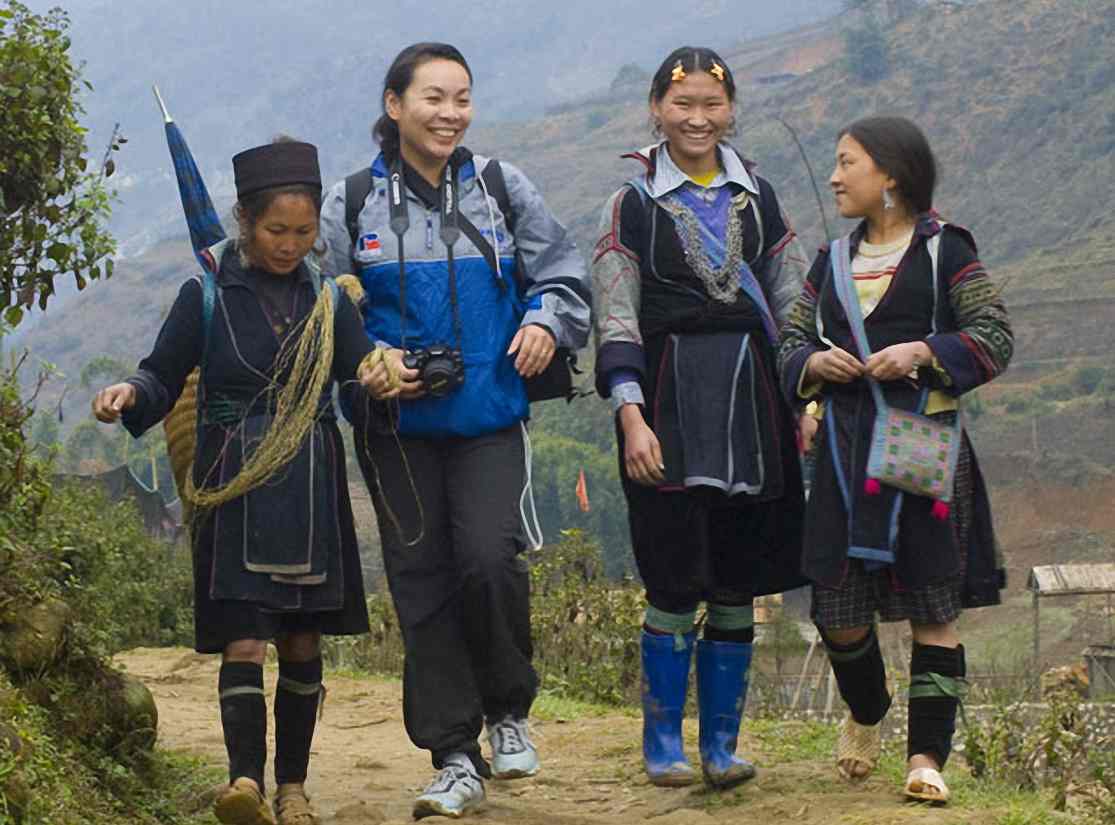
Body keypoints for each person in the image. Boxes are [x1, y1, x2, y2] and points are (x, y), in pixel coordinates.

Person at [317, 42, 591, 819]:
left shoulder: (501, 188)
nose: (449, 113)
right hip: (393, 427)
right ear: (394, 104)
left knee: (485, 559)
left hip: (488, 416)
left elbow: (565, 277)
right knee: (420, 582)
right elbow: (320, 307)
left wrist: (543, 320)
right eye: (432, 97)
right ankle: (451, 754)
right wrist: (363, 357)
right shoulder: (351, 202)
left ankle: (508, 710)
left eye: (461, 98)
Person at [93, 139, 376, 825]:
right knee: (244, 638)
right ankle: (245, 782)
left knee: (302, 641)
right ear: (245, 221)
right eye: (277, 231)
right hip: (233, 479)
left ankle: (294, 788)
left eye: (303, 232)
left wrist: (384, 375)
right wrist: (131, 392)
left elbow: (357, 373)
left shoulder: (329, 299)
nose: (289, 244)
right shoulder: (208, 292)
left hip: (308, 479)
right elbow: (162, 370)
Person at [591, 46, 810, 790]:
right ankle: (662, 744)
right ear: (655, 108)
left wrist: (804, 397)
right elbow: (615, 315)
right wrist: (630, 415)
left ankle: (721, 746)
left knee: (738, 578)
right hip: (668, 405)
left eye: (710, 105)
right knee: (673, 575)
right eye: (680, 104)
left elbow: (791, 303)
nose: (696, 118)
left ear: (729, 110)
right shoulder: (630, 205)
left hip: (754, 407)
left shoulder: (762, 198)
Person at [778, 116, 1012, 803]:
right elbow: (790, 340)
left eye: (846, 162)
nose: (833, 176)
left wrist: (922, 352)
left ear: (890, 175)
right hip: (845, 452)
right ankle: (868, 706)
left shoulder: (947, 253)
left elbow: (993, 335)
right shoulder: (829, 261)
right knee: (837, 607)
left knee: (930, 602)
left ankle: (924, 758)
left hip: (919, 445)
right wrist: (815, 362)